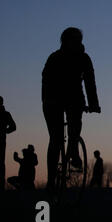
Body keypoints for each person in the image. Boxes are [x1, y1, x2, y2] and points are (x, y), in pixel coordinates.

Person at [42, 27, 101, 191]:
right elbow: (46, 81)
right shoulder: (55, 58)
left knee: (74, 128)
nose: (77, 42)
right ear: (65, 41)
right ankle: (51, 180)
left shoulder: (84, 58)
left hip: (74, 99)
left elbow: (90, 82)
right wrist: (48, 101)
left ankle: (74, 150)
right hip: (53, 100)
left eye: (79, 39)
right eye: (73, 39)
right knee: (56, 139)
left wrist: (94, 104)